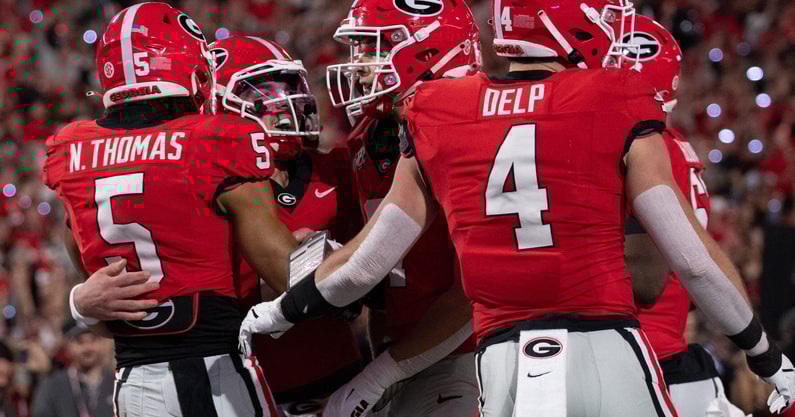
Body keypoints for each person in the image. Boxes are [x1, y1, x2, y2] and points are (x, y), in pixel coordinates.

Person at [239, 0, 795, 416]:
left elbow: (363, 265)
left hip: (499, 362)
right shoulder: (613, 99)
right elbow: (693, 262)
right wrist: (765, 355)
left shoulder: (440, 112)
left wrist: (275, 314)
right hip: (606, 347)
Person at [43, 3, 296, 416]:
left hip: (133, 383)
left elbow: (100, 290)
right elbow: (289, 274)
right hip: (215, 375)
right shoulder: (218, 139)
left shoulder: (71, 150)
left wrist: (77, 306)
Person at [302, 1, 481, 415]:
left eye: (372, 48)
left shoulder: (470, 127)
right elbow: (386, 283)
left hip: (465, 354)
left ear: (426, 51)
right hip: (401, 355)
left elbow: (474, 291)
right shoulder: (371, 135)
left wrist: (380, 373)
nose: (358, 65)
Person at [209, 35, 364, 417]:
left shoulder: (335, 169)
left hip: (338, 376)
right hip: (243, 386)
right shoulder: (205, 184)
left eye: (288, 86)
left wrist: (333, 257)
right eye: (264, 91)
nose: (285, 102)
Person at [622, 16, 749, 417]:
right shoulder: (677, 149)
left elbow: (651, 278)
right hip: (670, 356)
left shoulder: (643, 151)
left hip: (636, 361)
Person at [32, 322, 114, 417]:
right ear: (68, 346)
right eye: (80, 342)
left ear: (103, 344)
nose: (87, 348)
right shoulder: (52, 385)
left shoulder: (116, 383)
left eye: (93, 340)